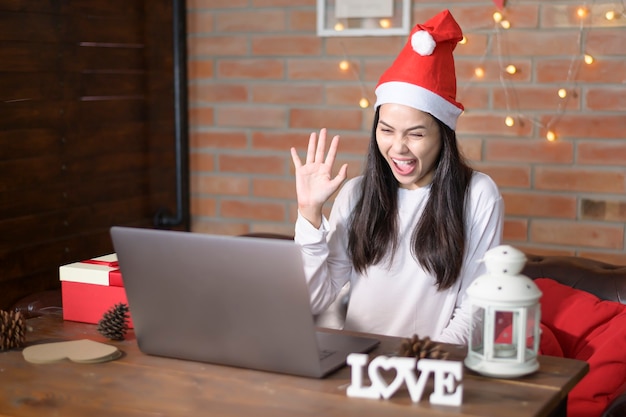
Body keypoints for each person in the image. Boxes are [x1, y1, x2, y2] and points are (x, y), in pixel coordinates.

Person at [290, 10, 504, 345]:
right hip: (356, 367)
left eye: (416, 134)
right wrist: (309, 215)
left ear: (444, 135)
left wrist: (423, 363)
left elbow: (477, 304)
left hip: (428, 371)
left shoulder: (478, 194)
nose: (398, 148)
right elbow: (315, 300)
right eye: (386, 130)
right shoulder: (357, 193)